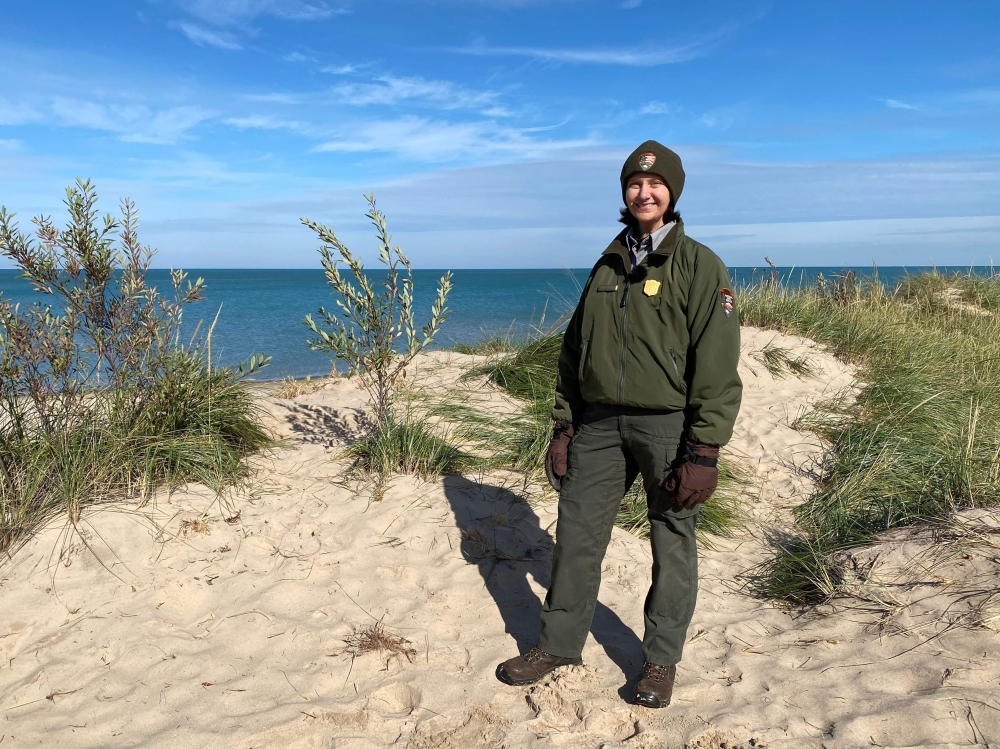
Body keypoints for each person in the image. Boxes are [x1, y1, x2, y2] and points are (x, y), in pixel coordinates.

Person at [495, 140, 742, 708]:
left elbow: (717, 362)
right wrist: (564, 427)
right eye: (634, 183)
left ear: (672, 193)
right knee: (577, 536)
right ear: (625, 192)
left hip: (668, 427)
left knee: (671, 541)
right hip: (600, 425)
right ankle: (557, 644)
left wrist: (704, 450)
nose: (644, 193)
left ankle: (660, 661)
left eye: (655, 185)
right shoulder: (607, 264)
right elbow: (574, 351)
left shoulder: (701, 264)